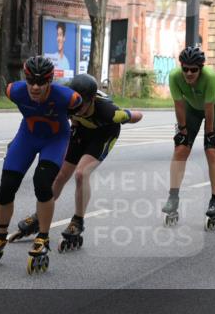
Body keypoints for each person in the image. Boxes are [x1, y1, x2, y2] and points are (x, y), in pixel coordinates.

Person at [0, 56, 83, 275]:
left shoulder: (68, 97)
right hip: (27, 137)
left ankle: (42, 237)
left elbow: (82, 106)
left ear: (50, 81)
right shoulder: (14, 91)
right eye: (31, 81)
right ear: (25, 79)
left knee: (42, 183)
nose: (36, 87)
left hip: (55, 140)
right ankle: (0, 237)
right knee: (6, 187)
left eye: (42, 82)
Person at [13, 74, 143, 251]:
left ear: (92, 100)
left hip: (104, 133)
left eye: (82, 105)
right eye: (76, 104)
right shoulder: (70, 102)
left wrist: (128, 116)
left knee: (81, 173)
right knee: (59, 175)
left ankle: (78, 221)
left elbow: (138, 115)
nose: (78, 107)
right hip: (81, 130)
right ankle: (39, 216)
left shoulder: (108, 111)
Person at [162, 45, 215, 230]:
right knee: (180, 149)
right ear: (181, 66)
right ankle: (173, 197)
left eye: (194, 70)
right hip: (191, 108)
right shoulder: (175, 76)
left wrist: (210, 134)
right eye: (186, 69)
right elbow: (179, 105)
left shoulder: (209, 76)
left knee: (212, 151)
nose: (189, 73)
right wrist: (182, 131)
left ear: (200, 68)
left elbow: (209, 110)